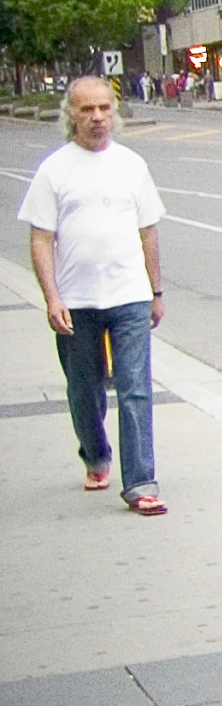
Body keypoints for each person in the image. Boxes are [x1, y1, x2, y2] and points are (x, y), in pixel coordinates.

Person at [18, 76, 168, 515]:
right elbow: (41, 239)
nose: (98, 117)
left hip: (130, 296)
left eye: (105, 108)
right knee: (84, 388)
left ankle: (140, 481)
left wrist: (156, 290)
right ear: (72, 115)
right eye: (87, 110)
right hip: (77, 301)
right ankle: (96, 454)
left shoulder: (132, 165)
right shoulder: (54, 170)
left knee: (136, 389)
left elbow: (149, 232)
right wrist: (52, 297)